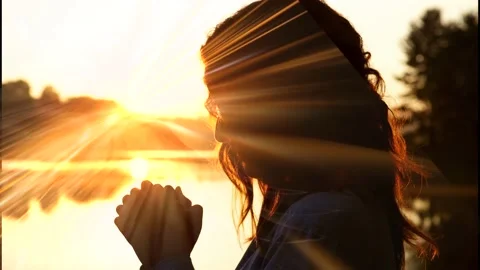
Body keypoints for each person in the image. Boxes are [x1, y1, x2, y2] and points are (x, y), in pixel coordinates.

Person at [114, 0, 439, 269]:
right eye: (220, 109)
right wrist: (163, 252)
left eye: (235, 108)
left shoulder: (323, 222)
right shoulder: (319, 214)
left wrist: (170, 256)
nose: (222, 130)